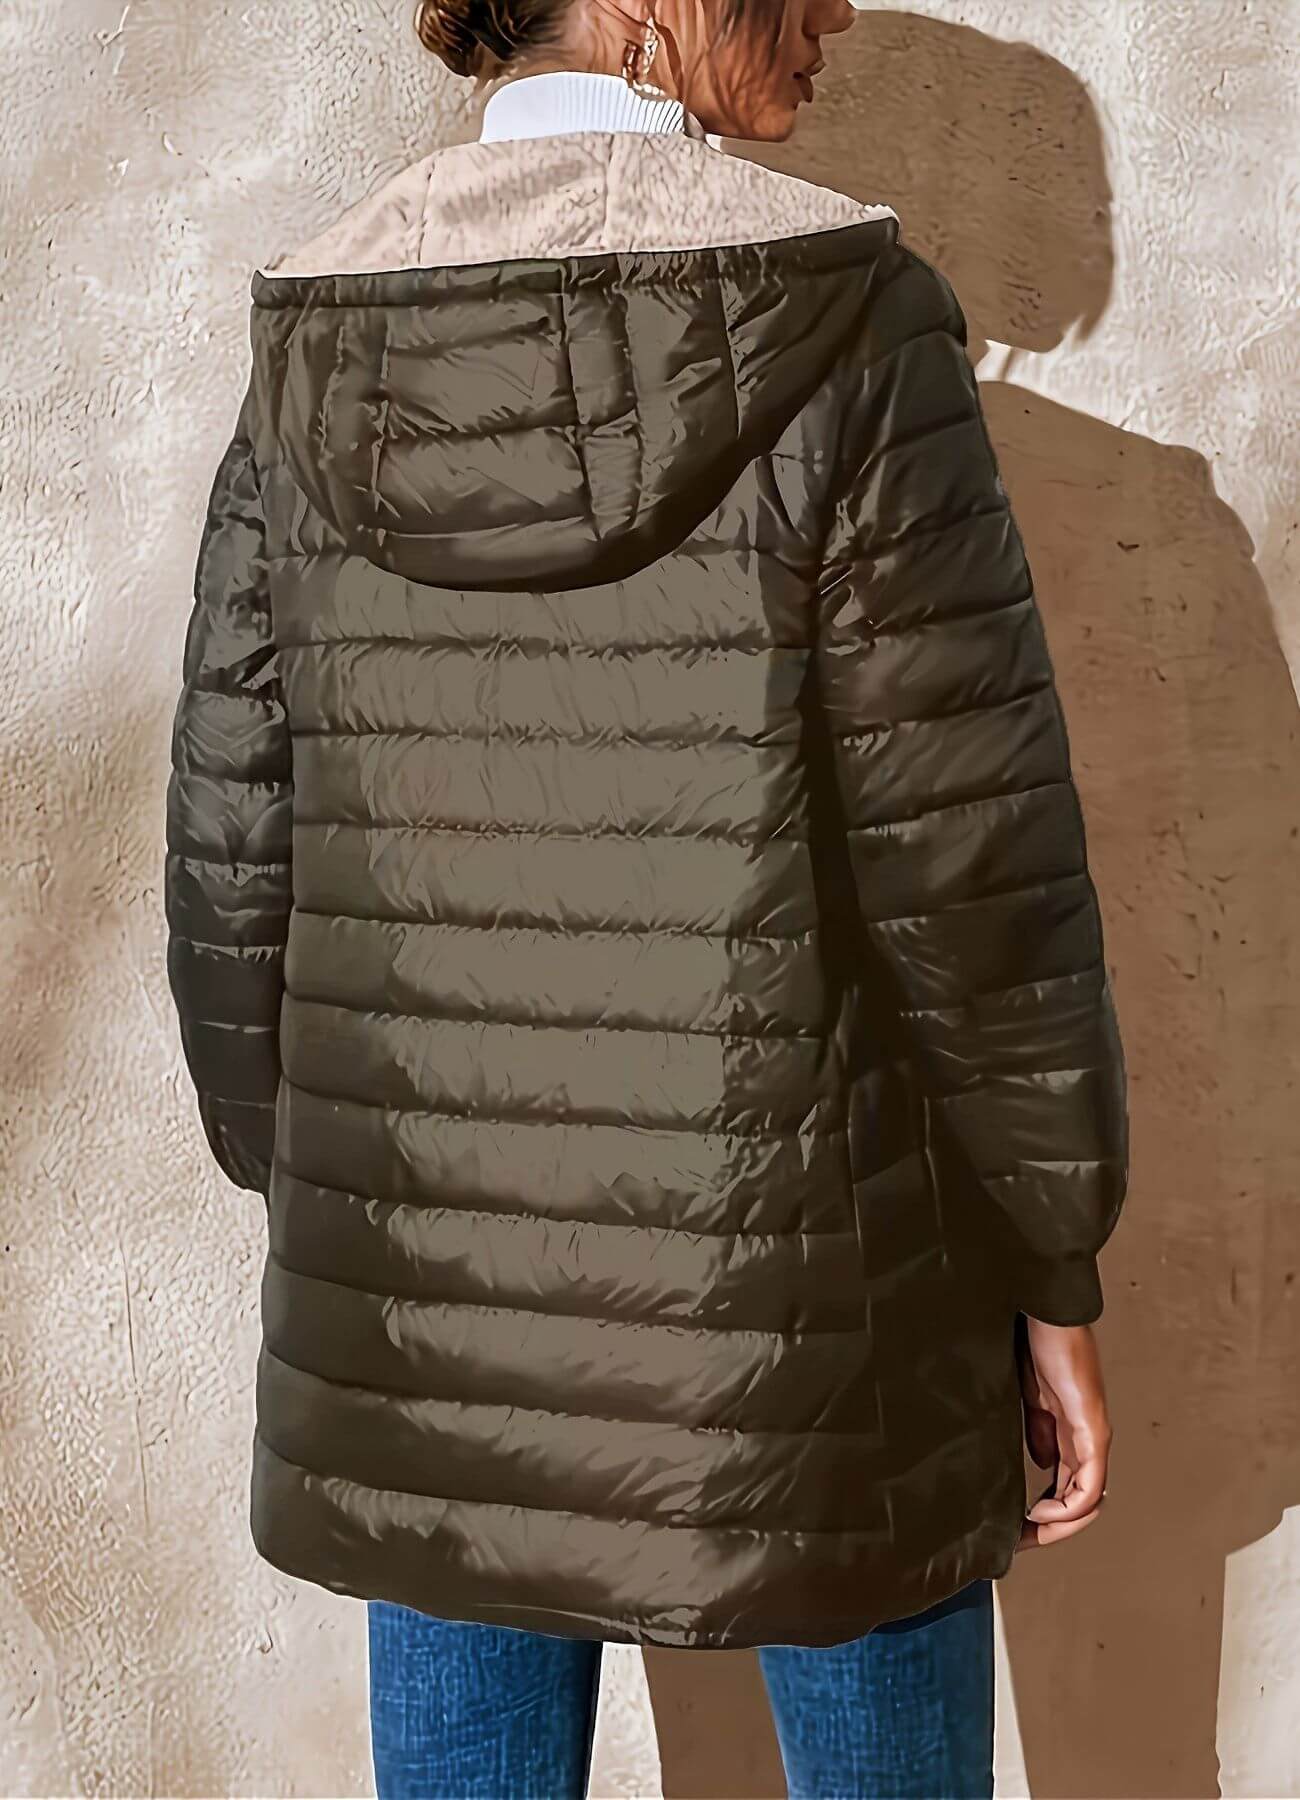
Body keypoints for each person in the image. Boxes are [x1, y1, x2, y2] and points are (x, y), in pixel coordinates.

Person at [163, 0, 1130, 1792]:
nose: (834, 14)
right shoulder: (852, 324)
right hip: (819, 1311)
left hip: (424, 1296)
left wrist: (326, 1191)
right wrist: (1050, 1252)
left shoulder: (317, 340)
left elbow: (237, 835)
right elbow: (976, 876)